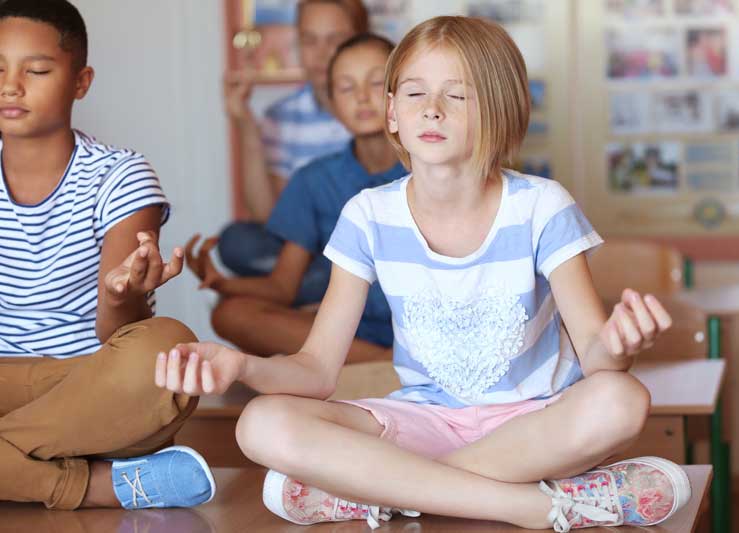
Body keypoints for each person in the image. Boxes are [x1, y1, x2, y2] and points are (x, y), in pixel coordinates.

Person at [156, 16, 690, 532]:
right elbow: (316, 371)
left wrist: (620, 346)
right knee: (261, 423)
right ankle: (529, 502)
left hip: (534, 426)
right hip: (422, 425)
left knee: (622, 399)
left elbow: (598, 356)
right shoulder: (368, 215)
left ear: (498, 112)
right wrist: (242, 365)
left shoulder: (541, 206)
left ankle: (384, 494)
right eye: (414, 94)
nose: (432, 110)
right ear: (392, 112)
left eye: (457, 95)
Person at [0, 0, 213, 511]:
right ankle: (100, 486)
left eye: (37, 70)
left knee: (167, 351)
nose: (11, 85)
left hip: (90, 389)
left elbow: (116, 335)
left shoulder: (120, 175)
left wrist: (123, 295)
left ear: (81, 81)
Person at [186, 33, 404, 362]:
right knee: (230, 314)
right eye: (346, 87)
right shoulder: (314, 180)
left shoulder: (433, 170)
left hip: (425, 323)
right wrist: (221, 282)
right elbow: (283, 287)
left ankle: (386, 362)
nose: (361, 97)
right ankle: (385, 364)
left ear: (401, 93)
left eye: (375, 84)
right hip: (350, 328)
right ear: (332, 102)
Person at [218, 0, 368, 278]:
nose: (321, 54)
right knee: (236, 241)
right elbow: (271, 218)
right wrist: (247, 129)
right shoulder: (282, 117)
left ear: (361, 39)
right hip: (310, 251)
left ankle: (318, 291)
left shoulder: (379, 110)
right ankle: (329, 288)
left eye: (335, 39)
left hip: (369, 246)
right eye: (309, 40)